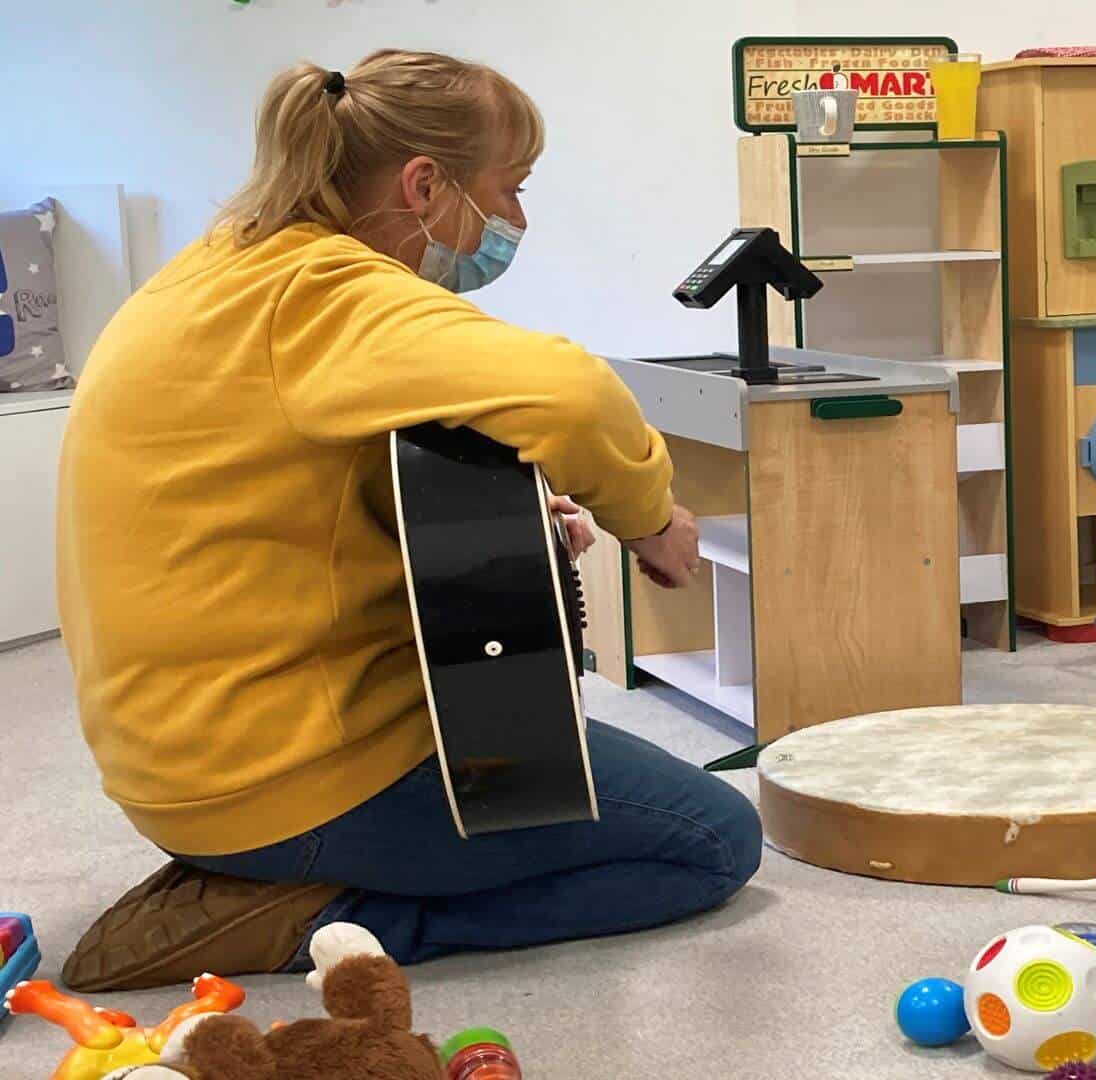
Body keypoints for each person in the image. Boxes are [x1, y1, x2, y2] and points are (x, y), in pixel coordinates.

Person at [55, 51, 762, 992]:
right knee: (713, 841)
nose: (514, 223)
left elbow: (291, 480)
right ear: (424, 186)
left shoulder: (227, 268)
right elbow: (573, 393)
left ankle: (289, 876)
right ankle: (317, 918)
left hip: (189, 752)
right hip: (284, 781)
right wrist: (651, 522)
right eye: (507, 191)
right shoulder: (318, 292)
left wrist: (513, 508)